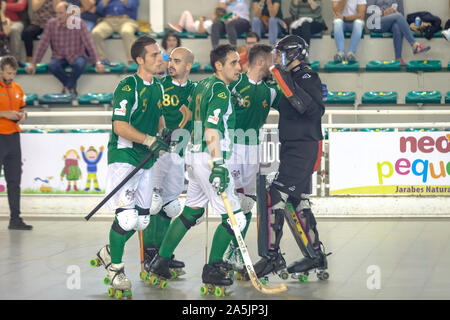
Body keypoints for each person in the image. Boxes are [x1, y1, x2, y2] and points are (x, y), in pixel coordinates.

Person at [149, 45, 244, 293]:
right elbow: (212, 129)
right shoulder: (220, 91)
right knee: (235, 218)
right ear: (219, 66)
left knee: (191, 212)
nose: (239, 67)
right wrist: (219, 164)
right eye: (234, 63)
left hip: (194, 154)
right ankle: (212, 269)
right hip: (210, 158)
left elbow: (188, 114)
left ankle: (160, 261)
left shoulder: (202, 85)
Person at [90, 35, 169, 298]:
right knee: (126, 217)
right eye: (155, 55)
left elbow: (157, 116)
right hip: (124, 156)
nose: (161, 58)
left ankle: (109, 251)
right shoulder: (127, 86)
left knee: (143, 219)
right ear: (140, 60)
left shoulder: (158, 87)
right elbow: (119, 126)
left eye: (160, 54)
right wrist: (148, 140)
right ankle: (116, 269)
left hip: (146, 159)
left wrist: (163, 133)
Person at [249, 35, 329, 280]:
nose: (278, 58)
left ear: (295, 54)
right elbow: (286, 104)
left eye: (282, 53)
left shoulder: (306, 76)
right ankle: (315, 255)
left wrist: (280, 78)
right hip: (294, 146)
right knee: (297, 200)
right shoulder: (291, 79)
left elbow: (306, 106)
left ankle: (271, 256)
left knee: (275, 197)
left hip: (303, 147)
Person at [224, 44, 281, 272]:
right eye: (272, 61)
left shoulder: (271, 91)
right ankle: (221, 255)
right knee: (233, 203)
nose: (274, 65)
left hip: (254, 149)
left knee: (247, 203)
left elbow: (292, 107)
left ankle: (236, 250)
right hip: (232, 148)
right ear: (260, 62)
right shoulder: (234, 84)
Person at [141, 47, 197, 277]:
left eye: (177, 60)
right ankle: (149, 254)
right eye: (170, 59)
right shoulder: (158, 86)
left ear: (189, 66)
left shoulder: (197, 90)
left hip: (179, 154)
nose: (170, 64)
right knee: (152, 204)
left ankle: (163, 255)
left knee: (170, 205)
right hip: (156, 154)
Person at [26, 1, 105, 96]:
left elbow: (89, 43)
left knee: (80, 64)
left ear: (68, 13)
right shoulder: (51, 24)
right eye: (56, 13)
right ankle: (70, 85)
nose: (58, 16)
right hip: (59, 56)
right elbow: (43, 45)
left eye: (61, 13)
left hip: (76, 55)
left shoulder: (79, 23)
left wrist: (97, 62)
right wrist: (34, 63)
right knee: (52, 66)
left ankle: (67, 87)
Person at [0, 55, 32, 230]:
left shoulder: (17, 87)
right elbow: (8, 112)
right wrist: (5, 114)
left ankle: (15, 218)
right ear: (1, 70)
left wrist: (23, 114)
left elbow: (22, 107)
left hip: (13, 137)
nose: (11, 76)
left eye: (13, 73)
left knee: (14, 181)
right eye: (8, 72)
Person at [366, 0, 430, 65]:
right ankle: (414, 44)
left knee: (397, 26)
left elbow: (401, 14)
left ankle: (398, 58)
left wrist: (394, 12)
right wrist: (383, 12)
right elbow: (369, 11)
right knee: (398, 16)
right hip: (375, 23)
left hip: (391, 21)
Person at [92, 0, 139, 66]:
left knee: (127, 31)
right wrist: (104, 2)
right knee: (96, 32)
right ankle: (102, 60)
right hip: (108, 20)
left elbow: (133, 5)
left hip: (126, 20)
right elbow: (99, 10)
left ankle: (133, 61)